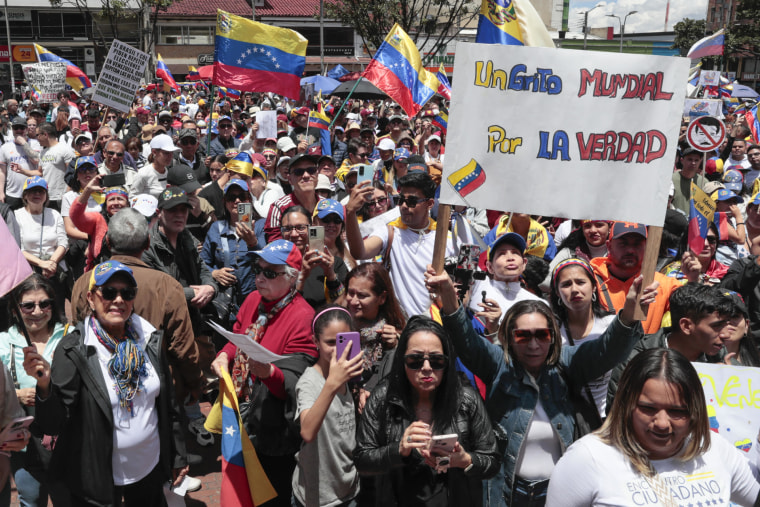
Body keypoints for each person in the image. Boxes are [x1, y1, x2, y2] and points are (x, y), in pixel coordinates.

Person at [425, 260, 655, 507]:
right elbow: (466, 340)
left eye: (542, 335)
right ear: (509, 338)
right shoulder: (498, 364)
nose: (533, 345)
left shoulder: (567, 363)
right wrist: (449, 297)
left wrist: (630, 313)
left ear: (553, 336)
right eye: (523, 336)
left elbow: (607, 350)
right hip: (508, 490)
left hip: (559, 492)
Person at [23, 261, 189, 505]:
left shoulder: (149, 337)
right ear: (91, 298)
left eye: (127, 293)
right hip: (99, 480)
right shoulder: (75, 348)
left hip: (149, 470)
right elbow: (53, 423)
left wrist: (177, 456)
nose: (119, 300)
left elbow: (168, 403)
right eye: (109, 292)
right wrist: (46, 386)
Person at [546, 348, 760, 506]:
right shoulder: (587, 458)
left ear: (695, 411)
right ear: (626, 404)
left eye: (677, 411)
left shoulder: (713, 448)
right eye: (648, 408)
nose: (662, 423)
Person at [210, 240, 318, 507]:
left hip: (273, 428)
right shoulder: (253, 300)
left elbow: (294, 386)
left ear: (292, 277)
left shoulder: (303, 317)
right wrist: (225, 354)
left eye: (270, 273)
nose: (259, 277)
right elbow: (237, 335)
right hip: (242, 412)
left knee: (270, 495)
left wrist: (269, 372)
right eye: (257, 269)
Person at [354, 315, 500, 505]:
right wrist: (399, 450)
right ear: (402, 360)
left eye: (436, 360)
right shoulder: (384, 397)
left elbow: (492, 462)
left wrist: (463, 459)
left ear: (447, 362)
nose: (426, 368)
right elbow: (362, 460)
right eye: (415, 360)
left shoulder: (465, 398)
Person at [345, 171, 455, 316]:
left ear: (429, 204)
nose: (403, 206)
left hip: (435, 328)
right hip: (400, 329)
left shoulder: (446, 240)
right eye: (401, 199)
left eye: (411, 201)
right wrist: (351, 213)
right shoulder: (390, 232)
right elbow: (360, 252)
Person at [607, 283, 732, 406]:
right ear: (686, 326)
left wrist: (732, 382)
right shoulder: (636, 361)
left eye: (727, 324)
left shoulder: (723, 361)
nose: (726, 334)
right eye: (717, 326)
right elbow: (617, 415)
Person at [0, 275, 66, 506]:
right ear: (15, 310)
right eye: (28, 305)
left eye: (44, 304)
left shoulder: (70, 337)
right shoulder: (3, 342)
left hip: (66, 440)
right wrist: (17, 395)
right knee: (30, 500)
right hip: (24, 443)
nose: (37, 311)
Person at [292, 306, 364, 507]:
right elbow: (307, 432)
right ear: (316, 342)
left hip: (349, 489)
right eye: (330, 342)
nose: (337, 350)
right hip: (317, 497)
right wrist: (332, 383)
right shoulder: (309, 382)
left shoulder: (349, 376)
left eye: (343, 341)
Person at [591, 221, 681, 334]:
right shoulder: (590, 282)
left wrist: (694, 278)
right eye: (623, 244)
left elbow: (690, 309)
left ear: (647, 247)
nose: (630, 250)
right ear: (609, 246)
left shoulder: (663, 284)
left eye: (637, 244)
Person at [345, 262, 407, 412]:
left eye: (362, 295)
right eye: (350, 293)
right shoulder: (338, 325)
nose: (353, 301)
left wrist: (396, 346)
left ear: (382, 298)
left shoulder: (395, 331)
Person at [201, 178, 263, 326]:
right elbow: (202, 262)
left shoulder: (261, 225)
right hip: (224, 306)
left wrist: (252, 243)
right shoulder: (216, 227)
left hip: (255, 303)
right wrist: (214, 273)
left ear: (249, 200)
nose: (236, 201)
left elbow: (267, 262)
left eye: (242, 197)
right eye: (231, 198)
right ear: (224, 201)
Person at [467, 232, 543, 336]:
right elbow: (467, 250)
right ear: (490, 267)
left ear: (524, 263)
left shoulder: (538, 304)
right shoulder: (478, 286)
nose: (510, 258)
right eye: (502, 254)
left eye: (515, 252)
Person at [281, 205, 348, 309]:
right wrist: (301, 278)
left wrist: (331, 277)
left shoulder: (333, 264)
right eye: (287, 229)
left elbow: (345, 305)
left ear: (312, 227)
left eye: (301, 228)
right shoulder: (275, 265)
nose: (293, 234)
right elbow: (282, 309)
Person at [14, 177, 68, 303]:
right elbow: (17, 248)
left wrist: (51, 263)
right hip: (28, 271)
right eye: (33, 191)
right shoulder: (16, 216)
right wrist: (41, 263)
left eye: (41, 191)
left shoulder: (54, 214)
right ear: (25, 195)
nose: (37, 194)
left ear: (46, 195)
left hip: (54, 269)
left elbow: (63, 243)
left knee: (57, 309)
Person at [132, 134, 180, 198]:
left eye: (172, 153)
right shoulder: (143, 174)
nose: (170, 156)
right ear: (154, 152)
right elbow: (133, 197)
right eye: (166, 153)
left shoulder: (170, 173)